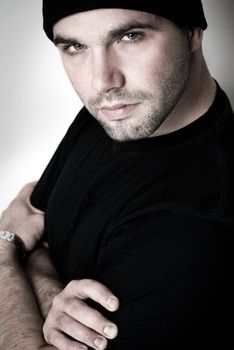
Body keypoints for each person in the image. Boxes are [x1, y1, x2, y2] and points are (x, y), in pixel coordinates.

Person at [0, 0, 234, 349]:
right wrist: (51, 290)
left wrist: (5, 258)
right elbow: (33, 212)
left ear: (192, 33)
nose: (101, 82)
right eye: (76, 47)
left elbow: (26, 227)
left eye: (130, 35)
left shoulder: (198, 223)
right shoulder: (115, 114)